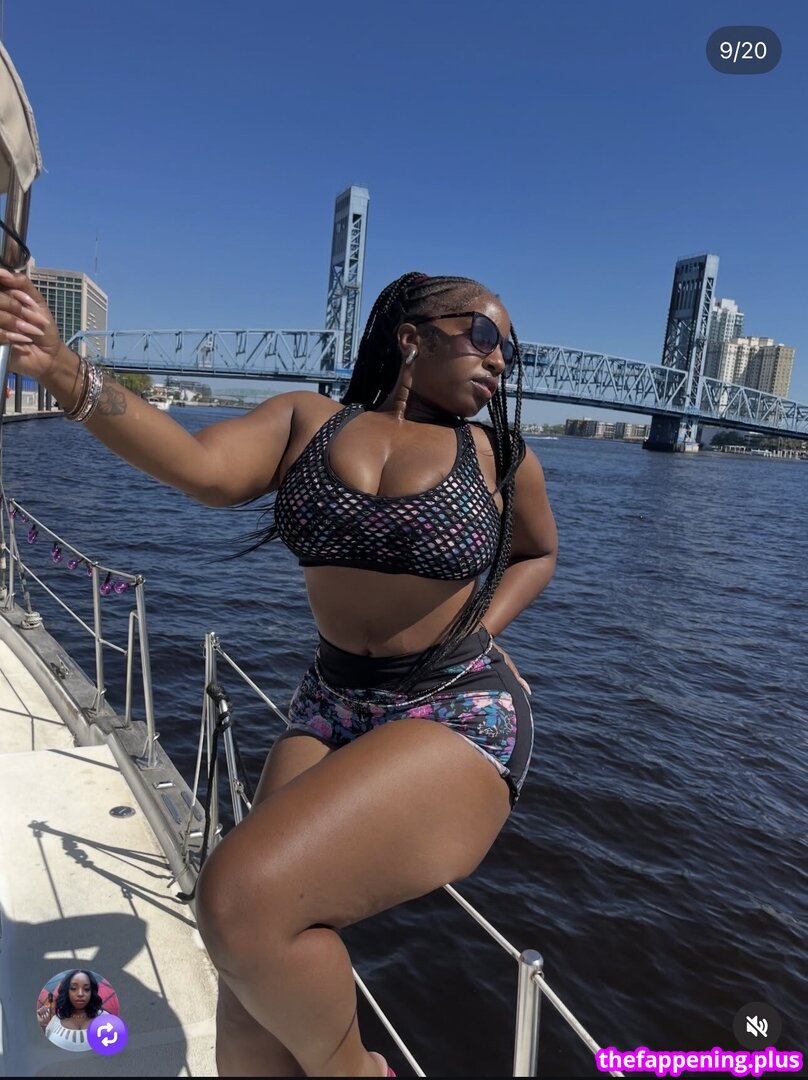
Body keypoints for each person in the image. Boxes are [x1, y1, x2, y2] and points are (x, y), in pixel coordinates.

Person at [1, 268, 558, 1077]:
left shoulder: (499, 456)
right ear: (412, 337)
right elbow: (199, 466)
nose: (499, 358)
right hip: (332, 701)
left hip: (456, 706)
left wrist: (482, 628)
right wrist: (61, 367)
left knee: (240, 900)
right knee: (246, 990)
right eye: (483, 335)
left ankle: (357, 1072)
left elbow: (538, 552)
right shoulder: (308, 422)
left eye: (508, 350)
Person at [36, 969, 107, 1052]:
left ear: (92, 992)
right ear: (66, 991)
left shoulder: (106, 1019)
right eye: (73, 988)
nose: (80, 994)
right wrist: (43, 1026)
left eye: (86, 989)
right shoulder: (56, 1020)